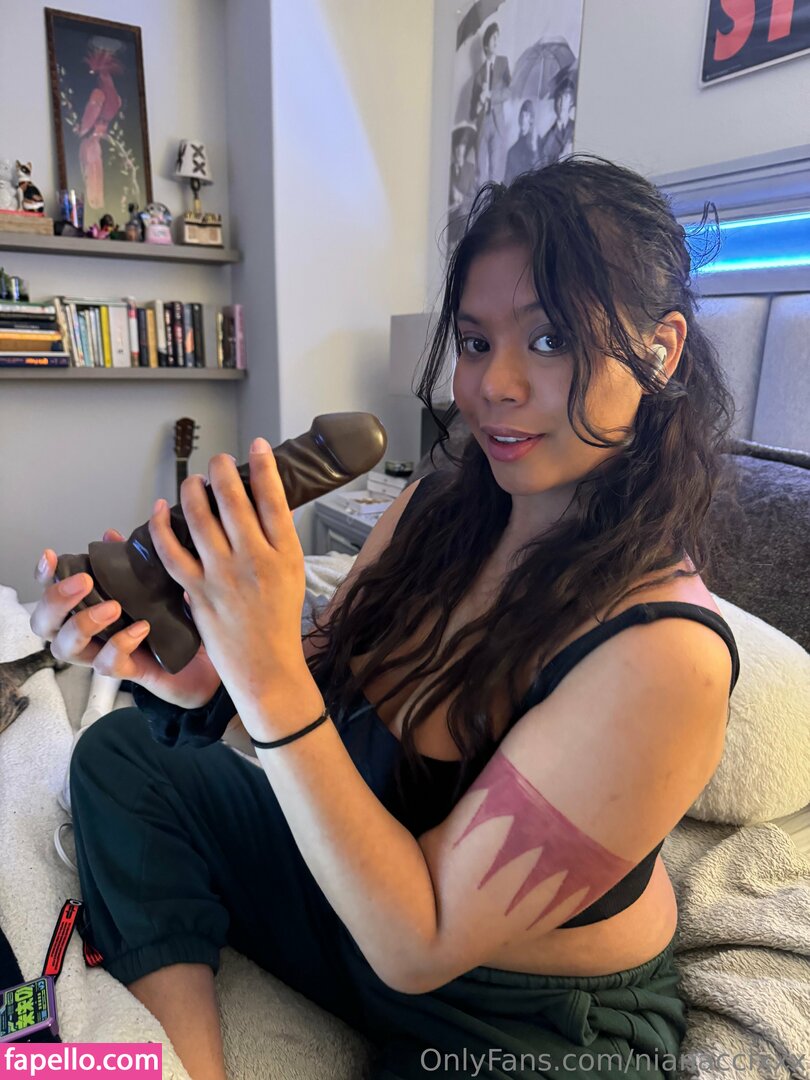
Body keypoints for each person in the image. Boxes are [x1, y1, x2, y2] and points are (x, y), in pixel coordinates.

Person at [31, 155, 740, 1080]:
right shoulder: (439, 504)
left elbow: (420, 941)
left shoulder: (665, 655)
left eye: (551, 339)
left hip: (522, 1023)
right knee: (124, 752)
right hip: (357, 903)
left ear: (662, 349)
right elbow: (315, 708)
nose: (494, 386)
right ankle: (185, 1062)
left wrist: (267, 672)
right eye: (476, 343)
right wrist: (199, 675)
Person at [469, 22, 511, 186]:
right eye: (493, 38)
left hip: (497, 123)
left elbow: (509, 91)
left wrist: (491, 96)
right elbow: (472, 113)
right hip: (482, 125)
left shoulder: (503, 63)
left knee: (496, 171)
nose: (496, 41)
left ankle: (495, 201)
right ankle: (481, 200)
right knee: (480, 171)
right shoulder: (478, 75)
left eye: (497, 37)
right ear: (486, 45)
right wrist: (480, 101)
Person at [536, 77, 576, 169]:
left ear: (571, 101)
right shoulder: (547, 140)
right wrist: (559, 159)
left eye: (566, 97)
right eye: (559, 98)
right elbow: (542, 170)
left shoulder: (577, 128)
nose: (562, 103)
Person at [503, 99, 538, 185]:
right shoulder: (512, 152)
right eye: (521, 115)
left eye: (526, 115)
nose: (523, 119)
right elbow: (507, 181)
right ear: (518, 119)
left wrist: (534, 150)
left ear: (532, 119)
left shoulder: (538, 143)